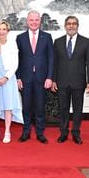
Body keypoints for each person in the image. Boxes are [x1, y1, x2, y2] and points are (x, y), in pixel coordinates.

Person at [52, 16, 89, 145]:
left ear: (77, 26)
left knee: (77, 109)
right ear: (65, 26)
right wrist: (53, 80)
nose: (71, 26)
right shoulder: (58, 42)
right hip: (62, 81)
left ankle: (76, 133)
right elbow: (55, 63)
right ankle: (63, 133)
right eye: (69, 24)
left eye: (74, 24)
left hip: (78, 82)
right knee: (63, 108)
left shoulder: (86, 42)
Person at [15, 10, 54, 144]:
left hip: (42, 79)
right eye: (31, 20)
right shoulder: (20, 38)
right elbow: (17, 60)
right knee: (26, 106)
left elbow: (51, 58)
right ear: (27, 21)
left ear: (40, 21)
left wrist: (49, 77)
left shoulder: (47, 37)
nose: (34, 23)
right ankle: (26, 132)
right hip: (25, 79)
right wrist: (18, 77)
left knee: (39, 107)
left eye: (36, 20)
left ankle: (40, 133)